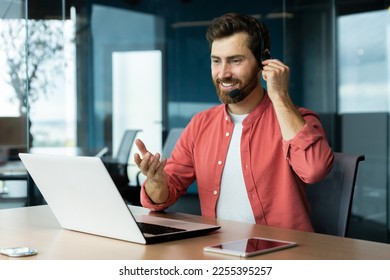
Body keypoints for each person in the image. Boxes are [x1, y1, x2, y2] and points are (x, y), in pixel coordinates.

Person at [134, 13, 334, 232]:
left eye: (235, 60)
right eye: (216, 61)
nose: (223, 73)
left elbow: (314, 170)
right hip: (217, 251)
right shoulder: (201, 124)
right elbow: (165, 192)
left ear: (262, 61)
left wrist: (279, 96)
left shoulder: (299, 119)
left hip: (284, 253)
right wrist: (156, 182)